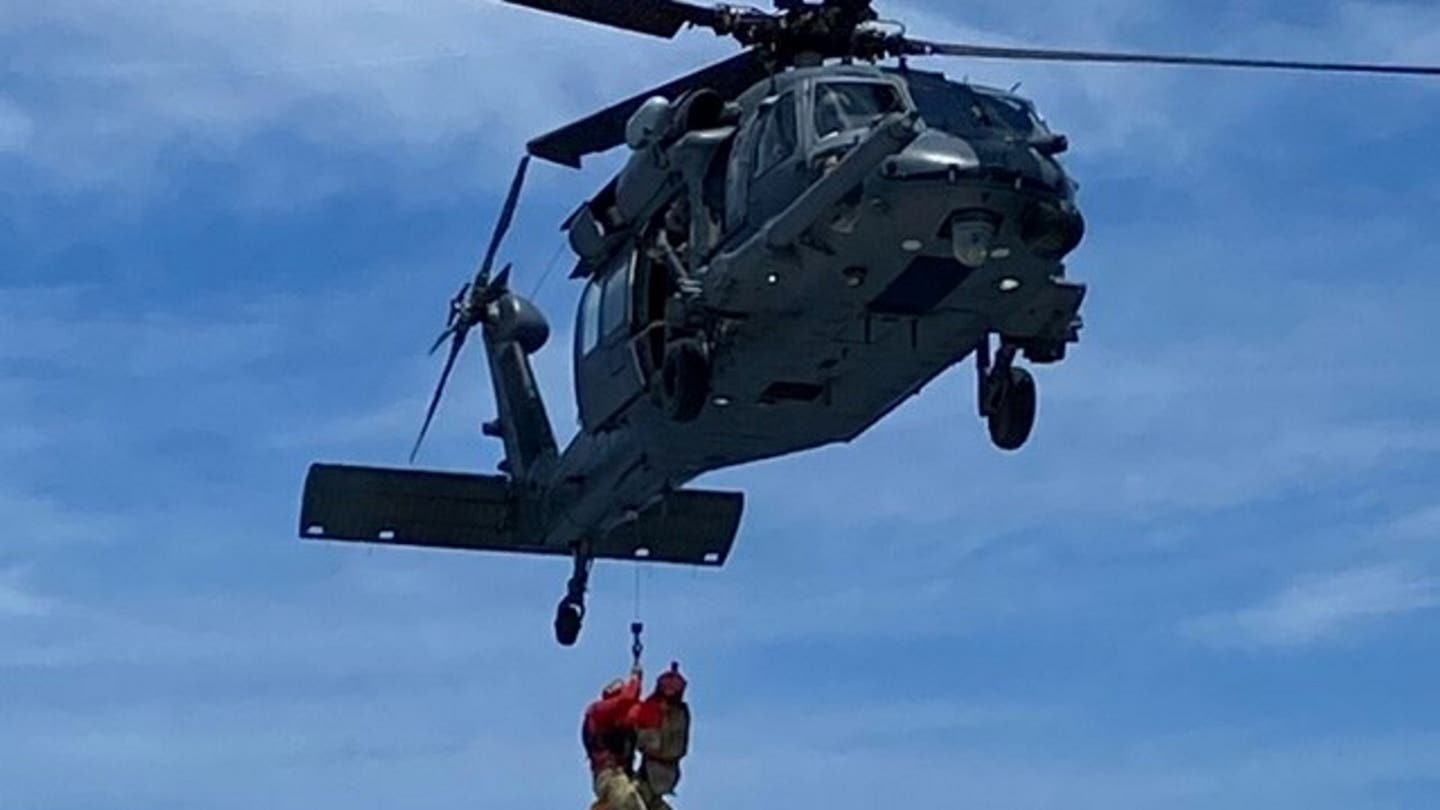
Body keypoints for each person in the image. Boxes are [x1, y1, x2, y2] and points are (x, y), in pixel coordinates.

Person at [582, 664, 647, 810]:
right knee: (630, 803)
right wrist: (636, 679)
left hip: (626, 776)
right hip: (609, 776)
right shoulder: (598, 712)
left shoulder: (626, 719)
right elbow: (626, 700)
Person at [631, 663, 691, 810]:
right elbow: (641, 739)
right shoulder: (653, 706)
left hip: (662, 771)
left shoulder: (680, 713)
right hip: (653, 770)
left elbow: (677, 747)